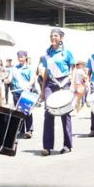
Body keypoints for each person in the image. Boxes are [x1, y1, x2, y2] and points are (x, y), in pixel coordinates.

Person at [40, 28, 75, 156]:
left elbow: (73, 67)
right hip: (51, 83)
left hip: (64, 82)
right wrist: (43, 90)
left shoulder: (66, 53)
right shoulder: (47, 54)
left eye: (55, 36)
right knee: (48, 112)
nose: (53, 38)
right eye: (51, 36)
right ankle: (47, 147)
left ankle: (67, 145)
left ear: (61, 38)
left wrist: (72, 83)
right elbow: (45, 72)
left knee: (65, 113)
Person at [8, 51, 36, 138]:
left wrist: (28, 85)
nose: (20, 59)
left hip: (26, 92)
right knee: (18, 111)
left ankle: (29, 130)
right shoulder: (14, 68)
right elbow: (9, 79)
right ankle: (20, 130)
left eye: (22, 57)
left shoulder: (30, 68)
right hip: (16, 91)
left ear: (26, 57)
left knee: (27, 111)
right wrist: (6, 80)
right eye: (19, 57)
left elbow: (32, 79)